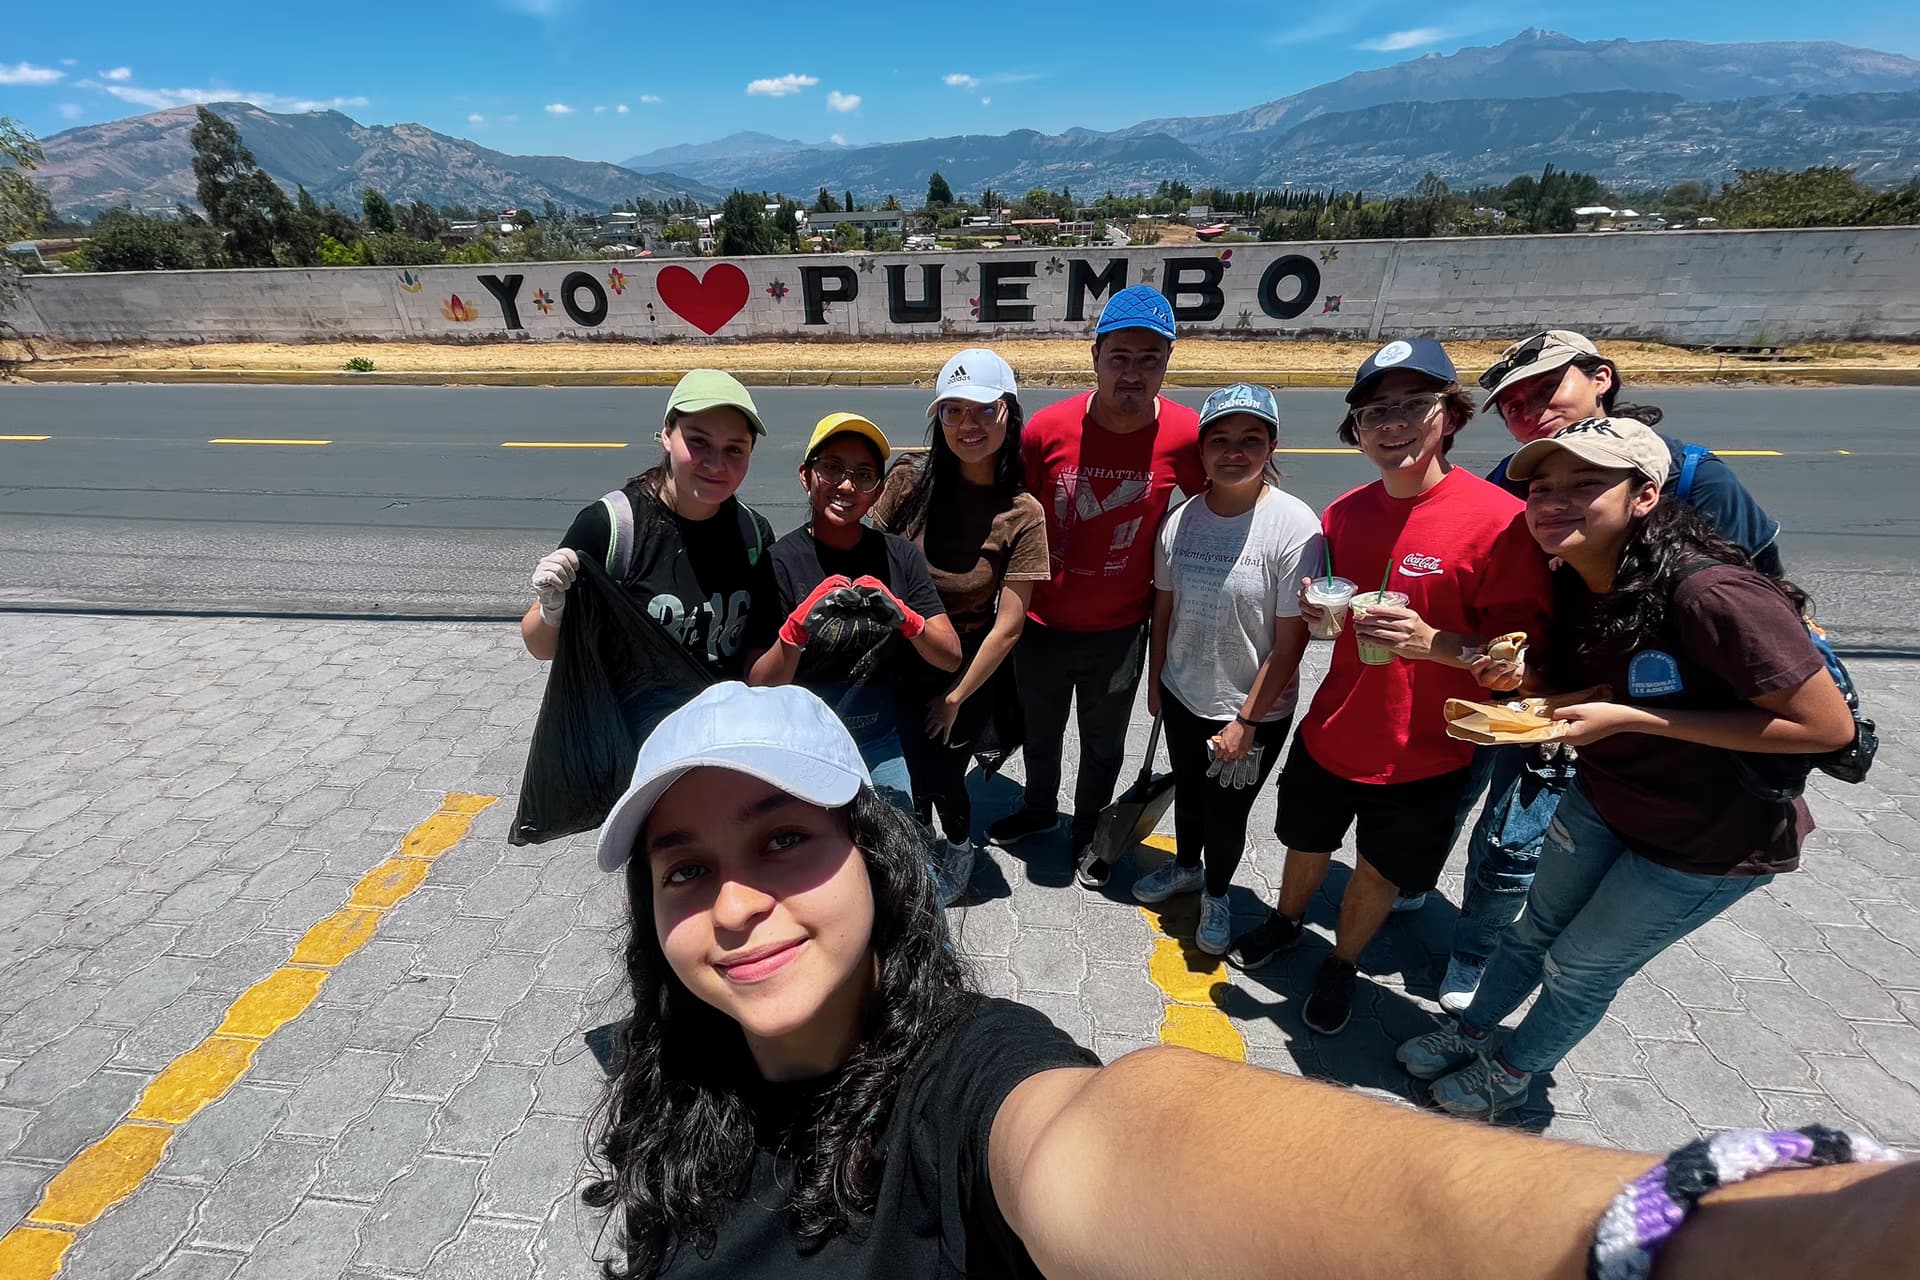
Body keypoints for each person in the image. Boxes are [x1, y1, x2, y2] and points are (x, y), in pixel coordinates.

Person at [583, 681, 1915, 1280]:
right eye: (683, 871)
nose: (737, 901)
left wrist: (1726, 1239)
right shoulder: (677, 1078)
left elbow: (1129, 1136)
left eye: (783, 841)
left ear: (878, 862)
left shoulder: (972, 1083)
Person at [1398, 416, 1857, 1116]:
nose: (1554, 502)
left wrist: (1635, 721)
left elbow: (1825, 727)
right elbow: (1608, 690)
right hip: (1609, 799)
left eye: (1586, 484)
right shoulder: (1577, 577)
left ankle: (1513, 1072)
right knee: (1529, 934)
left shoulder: (1712, 594)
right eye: (1542, 487)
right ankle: (1469, 1027)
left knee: (1580, 967)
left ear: (1644, 496)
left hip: (1709, 841)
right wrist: (1530, 687)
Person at [1427, 329, 1790, 1016]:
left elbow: (1765, 606)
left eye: (1544, 390)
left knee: (1529, 860)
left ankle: (1477, 966)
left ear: (1602, 378)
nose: (1529, 410)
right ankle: (1470, 944)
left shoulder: (1690, 476)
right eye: (1512, 404)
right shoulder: (1514, 476)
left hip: (1660, 735)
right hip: (1543, 693)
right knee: (1496, 823)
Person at [1226, 338, 1552, 1039]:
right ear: (1356, 432)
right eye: (1374, 414)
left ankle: (1343, 962)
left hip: (1425, 755)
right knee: (1304, 843)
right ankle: (1286, 923)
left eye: (1412, 406)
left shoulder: (1498, 522)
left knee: (1377, 871)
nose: (1393, 425)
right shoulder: (1345, 513)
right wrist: (1318, 618)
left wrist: (1436, 643)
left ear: (1450, 416)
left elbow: (1518, 665)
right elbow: (1327, 623)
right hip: (1333, 726)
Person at [987, 286, 1204, 881]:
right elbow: (1010, 512)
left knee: (1104, 745)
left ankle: (1088, 832)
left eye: (1149, 359)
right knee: (1040, 732)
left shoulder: (1186, 436)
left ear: (1166, 363)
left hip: (1119, 630)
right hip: (1040, 626)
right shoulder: (1048, 430)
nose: (1133, 373)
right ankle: (1038, 810)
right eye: (1120, 357)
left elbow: (1216, 513)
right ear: (1096, 358)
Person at [1135, 383, 1320, 955]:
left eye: (1250, 439)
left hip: (1250, 709)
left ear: (1271, 446)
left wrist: (1246, 720)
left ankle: (1217, 892)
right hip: (1185, 692)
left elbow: (1290, 644)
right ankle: (1186, 868)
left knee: (1227, 811)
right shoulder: (1183, 520)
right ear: (1202, 449)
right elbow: (1162, 606)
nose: (1234, 451)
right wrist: (1156, 679)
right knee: (1189, 795)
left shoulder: (1293, 526)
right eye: (1220, 440)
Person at [871, 349, 1048, 901]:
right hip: (899, 650)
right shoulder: (908, 483)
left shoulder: (1022, 513)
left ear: (1009, 415)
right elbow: (863, 552)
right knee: (903, 764)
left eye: (982, 411)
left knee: (947, 770)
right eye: (952, 411)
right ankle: (912, 840)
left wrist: (955, 697)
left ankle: (957, 849)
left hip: (967, 664)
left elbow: (1011, 626)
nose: (967, 425)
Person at [750, 413, 962, 826]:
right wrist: (794, 631)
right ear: (805, 475)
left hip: (880, 741)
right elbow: (759, 685)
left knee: (899, 856)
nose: (846, 485)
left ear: (878, 490)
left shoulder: (899, 557)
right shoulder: (779, 563)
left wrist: (907, 619)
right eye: (831, 467)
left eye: (864, 475)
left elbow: (950, 655)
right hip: (804, 743)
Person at [523, 369, 777, 679]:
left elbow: (757, 651)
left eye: (734, 449)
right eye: (699, 442)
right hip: (634, 724)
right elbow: (541, 647)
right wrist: (553, 613)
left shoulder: (753, 533)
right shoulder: (612, 527)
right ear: (668, 436)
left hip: (721, 723)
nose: (715, 464)